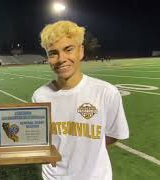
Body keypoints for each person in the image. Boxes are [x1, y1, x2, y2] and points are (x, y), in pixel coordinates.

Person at [32, 20, 129, 180]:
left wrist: (87, 148)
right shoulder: (40, 95)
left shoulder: (106, 92)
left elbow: (113, 135)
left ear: (81, 51)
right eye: (53, 53)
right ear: (48, 58)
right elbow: (40, 138)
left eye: (68, 49)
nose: (61, 58)